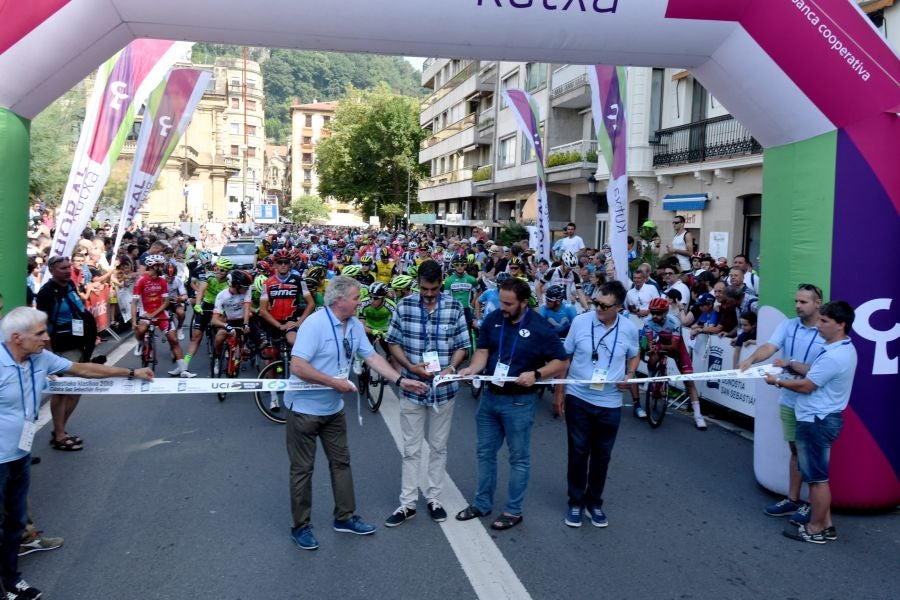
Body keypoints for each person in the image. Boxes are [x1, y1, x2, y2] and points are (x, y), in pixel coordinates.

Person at [0, 307, 153, 599]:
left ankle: (12, 581)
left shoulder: (40, 358)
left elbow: (84, 369)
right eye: (40, 334)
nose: (46, 339)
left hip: (20, 454)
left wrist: (131, 372)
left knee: (15, 524)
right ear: (17, 338)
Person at [284, 276, 428, 551]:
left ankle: (345, 517)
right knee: (302, 469)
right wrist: (333, 382)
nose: (360, 301)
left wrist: (400, 380)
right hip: (304, 409)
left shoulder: (353, 326)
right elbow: (298, 367)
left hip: (333, 410)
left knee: (342, 463)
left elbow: (372, 357)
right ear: (339, 300)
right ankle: (300, 526)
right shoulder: (315, 324)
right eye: (355, 298)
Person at [456, 278, 568, 531]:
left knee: (518, 458)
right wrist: (473, 369)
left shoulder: (539, 327)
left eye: (508, 303)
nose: (503, 307)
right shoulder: (494, 319)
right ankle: (482, 503)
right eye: (501, 301)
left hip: (519, 402)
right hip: (490, 399)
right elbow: (483, 350)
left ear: (523, 303)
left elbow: (561, 363)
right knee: (485, 453)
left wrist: (537, 375)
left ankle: (513, 511)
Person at [762, 301, 857, 544]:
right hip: (821, 419)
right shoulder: (841, 348)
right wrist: (790, 364)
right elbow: (813, 372)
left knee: (817, 481)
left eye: (825, 321)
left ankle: (815, 529)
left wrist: (777, 381)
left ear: (841, 325)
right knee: (818, 477)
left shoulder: (834, 356)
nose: (818, 325)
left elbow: (807, 385)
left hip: (816, 420)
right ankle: (827, 525)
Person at [384, 260, 469, 527]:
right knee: (411, 449)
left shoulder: (454, 307)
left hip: (443, 391)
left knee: (438, 447)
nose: (429, 294)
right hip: (413, 387)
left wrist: (452, 367)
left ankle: (434, 498)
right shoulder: (404, 305)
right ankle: (407, 503)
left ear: (441, 283)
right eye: (424, 289)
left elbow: (463, 345)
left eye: (433, 289)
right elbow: (392, 341)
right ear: (417, 283)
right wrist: (409, 367)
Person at [554, 281, 640, 528]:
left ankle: (594, 503)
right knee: (579, 451)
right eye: (595, 303)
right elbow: (565, 357)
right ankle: (575, 501)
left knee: (602, 455)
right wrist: (559, 392)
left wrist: (630, 374)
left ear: (619, 307)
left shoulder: (628, 328)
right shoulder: (581, 322)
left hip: (611, 401)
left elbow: (634, 354)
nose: (598, 308)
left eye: (604, 305)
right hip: (579, 397)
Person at [740, 284, 825, 521]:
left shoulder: (826, 330)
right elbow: (770, 346)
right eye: (796, 301)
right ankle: (793, 499)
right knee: (796, 451)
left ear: (817, 303)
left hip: (815, 402)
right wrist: (751, 359)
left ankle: (812, 504)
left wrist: (794, 366)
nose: (797, 305)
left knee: (811, 454)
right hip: (788, 399)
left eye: (803, 302)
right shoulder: (788, 325)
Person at [35, 255, 98, 451]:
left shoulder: (70, 284)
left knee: (75, 389)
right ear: (52, 270)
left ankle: (60, 430)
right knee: (63, 391)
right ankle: (59, 435)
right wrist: (50, 357)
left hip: (79, 344)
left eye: (69, 267)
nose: (68, 270)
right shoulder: (46, 293)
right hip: (61, 348)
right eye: (63, 268)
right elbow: (42, 325)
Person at [641, 297, 707, 430]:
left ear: (665, 313)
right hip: (662, 342)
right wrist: (652, 346)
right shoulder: (648, 321)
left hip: (677, 347)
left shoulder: (674, 321)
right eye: (652, 313)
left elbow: (674, 346)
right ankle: (652, 379)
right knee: (653, 358)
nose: (654, 316)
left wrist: (658, 347)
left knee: (688, 381)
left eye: (658, 313)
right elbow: (650, 341)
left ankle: (698, 415)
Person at [131, 254, 193, 377]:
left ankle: (183, 370)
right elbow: (134, 302)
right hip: (145, 312)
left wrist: (154, 314)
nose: (162, 268)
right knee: (141, 329)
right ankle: (140, 343)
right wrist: (134, 321)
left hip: (160, 313)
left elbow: (166, 302)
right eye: (160, 266)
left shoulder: (162, 281)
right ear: (152, 267)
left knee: (173, 339)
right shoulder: (141, 281)